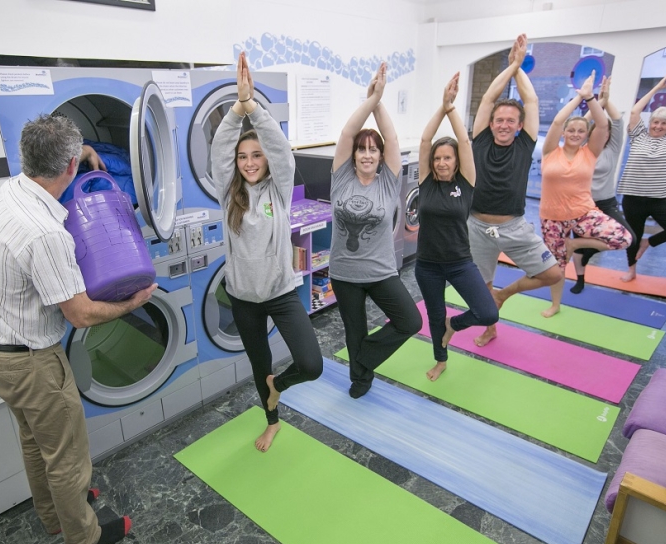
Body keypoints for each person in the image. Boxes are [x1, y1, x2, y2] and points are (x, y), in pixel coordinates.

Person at [0, 114, 149, 544]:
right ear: (70, 166)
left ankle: (54, 515)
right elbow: (81, 315)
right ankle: (84, 536)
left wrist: (82, 152)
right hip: (31, 365)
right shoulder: (46, 233)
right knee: (67, 457)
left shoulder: (12, 191)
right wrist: (134, 302)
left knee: (36, 442)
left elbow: (62, 161)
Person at [211, 52, 323, 452]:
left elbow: (280, 148)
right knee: (260, 365)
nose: (249, 163)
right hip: (244, 298)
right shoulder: (228, 194)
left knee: (311, 364)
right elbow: (219, 151)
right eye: (243, 157)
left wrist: (252, 106)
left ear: (268, 160)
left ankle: (280, 384)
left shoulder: (279, 190)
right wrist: (235, 111)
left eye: (256, 155)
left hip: (280, 293)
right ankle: (271, 421)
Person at [329, 62, 422, 398]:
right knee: (354, 330)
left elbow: (392, 137)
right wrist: (370, 100)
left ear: (382, 156)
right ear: (353, 154)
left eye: (373, 149)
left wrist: (378, 100)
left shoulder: (388, 182)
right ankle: (361, 379)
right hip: (345, 274)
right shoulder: (341, 177)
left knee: (410, 321)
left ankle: (363, 357)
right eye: (361, 149)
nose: (366, 154)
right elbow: (346, 133)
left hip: (381, 272)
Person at [467, 34, 563, 345]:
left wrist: (518, 67)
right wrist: (510, 68)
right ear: (491, 123)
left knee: (553, 274)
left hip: (513, 226)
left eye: (511, 121)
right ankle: (490, 327)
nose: (504, 125)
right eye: (499, 120)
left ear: (520, 126)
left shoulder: (524, 145)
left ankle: (504, 295)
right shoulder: (481, 139)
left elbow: (531, 102)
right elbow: (487, 99)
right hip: (477, 226)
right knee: (481, 285)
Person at [415, 73, 498, 381]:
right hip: (428, 265)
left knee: (487, 312)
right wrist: (442, 107)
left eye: (447, 158)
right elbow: (425, 141)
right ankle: (440, 360)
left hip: (460, 262)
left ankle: (454, 326)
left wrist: (451, 109)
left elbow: (464, 141)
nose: (441, 162)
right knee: (434, 315)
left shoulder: (465, 183)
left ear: (456, 161)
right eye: (437, 158)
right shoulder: (426, 183)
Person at [537, 71, 632, 317]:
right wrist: (579, 97)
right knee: (557, 266)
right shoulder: (550, 151)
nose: (576, 134)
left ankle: (575, 244)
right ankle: (556, 304)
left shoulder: (590, 152)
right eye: (572, 130)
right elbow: (557, 121)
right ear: (564, 133)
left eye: (581, 131)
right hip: (552, 218)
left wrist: (591, 98)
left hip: (583, 213)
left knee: (624, 238)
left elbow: (602, 124)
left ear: (586, 135)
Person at [617, 71, 666, 282]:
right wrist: (657, 88)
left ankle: (648, 243)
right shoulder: (638, 135)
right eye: (655, 122)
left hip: (660, 198)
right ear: (650, 122)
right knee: (633, 236)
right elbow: (635, 111)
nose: (658, 126)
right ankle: (631, 270)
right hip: (633, 197)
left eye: (663, 124)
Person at [570, 75, 636, 294]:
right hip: (582, 205)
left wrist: (606, 100)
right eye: (600, 129)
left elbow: (617, 122)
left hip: (606, 203)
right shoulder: (580, 150)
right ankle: (580, 279)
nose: (604, 133)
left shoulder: (612, 148)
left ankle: (586, 249)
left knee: (629, 238)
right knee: (580, 242)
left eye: (607, 130)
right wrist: (594, 101)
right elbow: (579, 124)